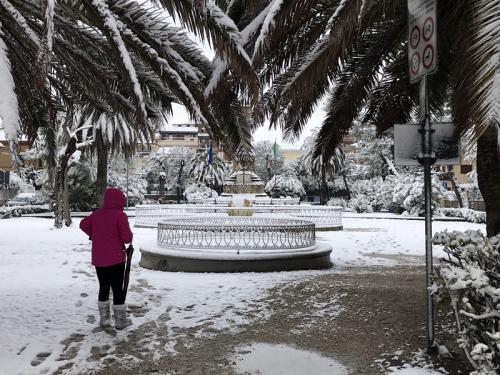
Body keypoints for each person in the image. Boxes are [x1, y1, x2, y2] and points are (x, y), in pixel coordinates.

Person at [80, 188, 133, 330]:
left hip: (100, 259)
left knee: (103, 287)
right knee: (117, 288)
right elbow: (127, 238)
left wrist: (94, 233)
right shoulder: (120, 215)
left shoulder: (97, 214)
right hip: (116, 259)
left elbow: (83, 224)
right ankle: (120, 321)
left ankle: (104, 320)